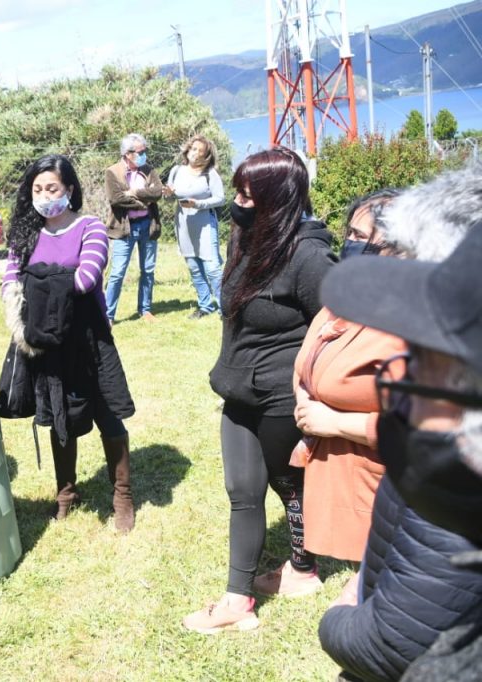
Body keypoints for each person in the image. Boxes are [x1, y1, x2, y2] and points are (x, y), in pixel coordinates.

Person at [316, 167, 482, 682]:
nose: (399, 372)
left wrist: (340, 614)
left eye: (422, 357)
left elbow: (393, 642)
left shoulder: (456, 494)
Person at [183, 147, 336, 634]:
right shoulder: (247, 238)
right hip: (238, 391)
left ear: (277, 198)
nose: (237, 201)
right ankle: (237, 600)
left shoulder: (310, 256)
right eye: (237, 190)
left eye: (248, 194)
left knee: (288, 484)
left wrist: (315, 395)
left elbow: (340, 328)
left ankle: (303, 569)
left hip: (280, 396)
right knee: (241, 491)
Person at [1, 154, 136, 532]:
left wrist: (37, 281)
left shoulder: (89, 227)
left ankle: (122, 495)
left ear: (69, 190)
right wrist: (43, 284)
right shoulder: (25, 235)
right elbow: (10, 283)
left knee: (109, 415)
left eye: (52, 188)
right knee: (58, 416)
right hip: (47, 343)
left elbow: (87, 277)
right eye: (38, 189)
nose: (45, 196)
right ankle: (66, 493)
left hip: (90, 339)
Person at [290, 190, 405, 608]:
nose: (349, 244)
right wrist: (304, 394)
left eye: (360, 235)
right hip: (353, 485)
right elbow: (308, 358)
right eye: (349, 233)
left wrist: (333, 422)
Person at [163, 135, 226, 318]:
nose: (195, 153)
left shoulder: (210, 174)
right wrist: (167, 194)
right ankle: (205, 305)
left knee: (212, 268)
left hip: (205, 224)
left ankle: (225, 308)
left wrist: (197, 204)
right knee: (194, 267)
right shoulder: (176, 170)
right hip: (183, 225)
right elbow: (168, 200)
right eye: (193, 148)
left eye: (200, 151)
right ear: (187, 149)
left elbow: (220, 198)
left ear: (206, 156)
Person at [103, 133, 163, 323]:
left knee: (148, 269)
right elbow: (117, 199)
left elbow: (157, 192)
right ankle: (108, 315)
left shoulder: (148, 169)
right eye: (140, 152)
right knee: (118, 273)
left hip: (148, 225)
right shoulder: (112, 172)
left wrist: (135, 192)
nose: (144, 154)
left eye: (145, 151)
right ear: (128, 154)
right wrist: (142, 203)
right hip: (125, 229)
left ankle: (145, 309)